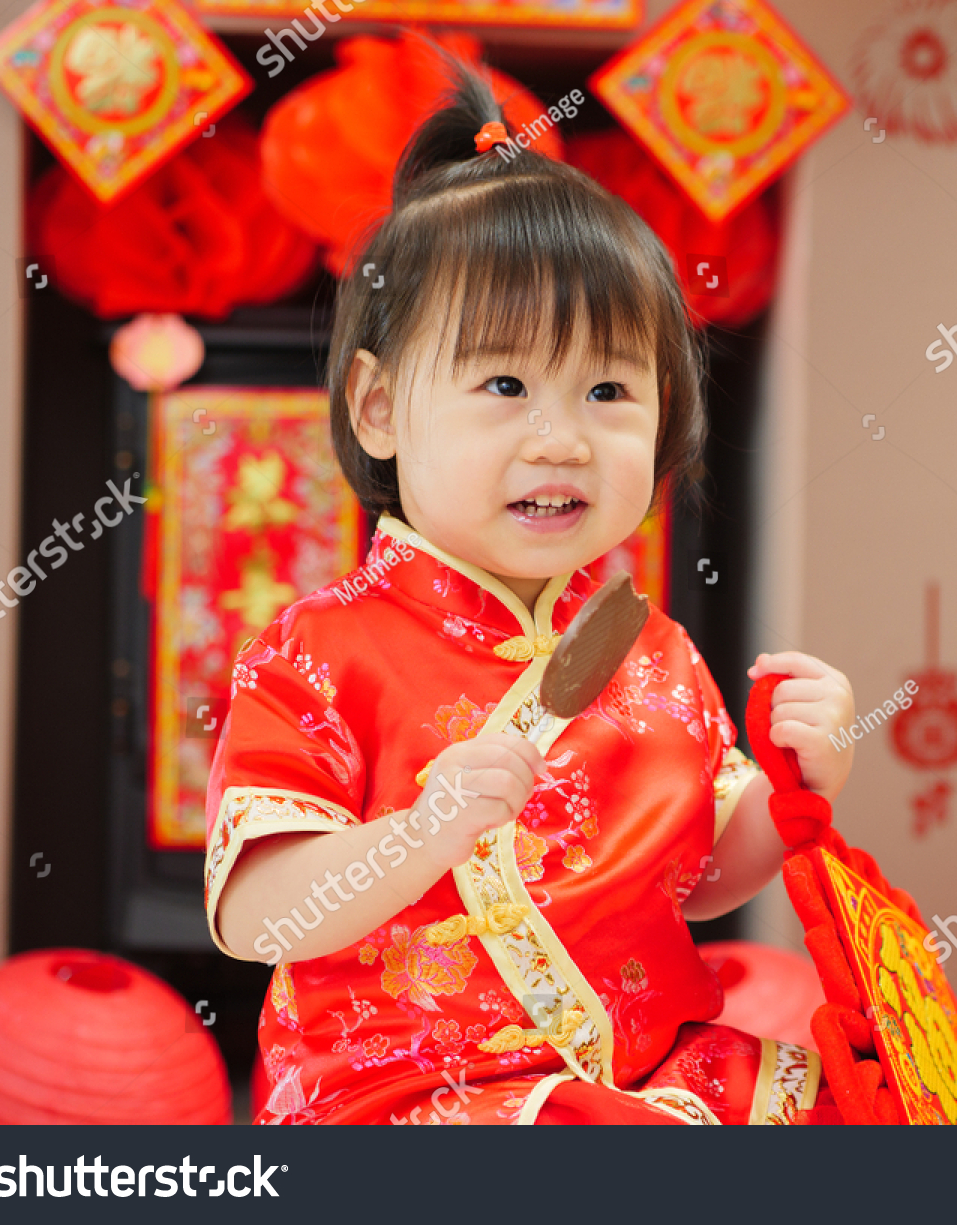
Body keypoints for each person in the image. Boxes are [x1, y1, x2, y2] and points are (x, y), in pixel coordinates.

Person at [207, 69, 856, 1125]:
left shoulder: (658, 653)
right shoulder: (320, 650)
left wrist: (793, 792)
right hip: (411, 1090)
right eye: (505, 386)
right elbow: (257, 914)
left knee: (853, 1111)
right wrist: (421, 832)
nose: (559, 437)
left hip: (643, 1062)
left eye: (607, 391)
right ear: (379, 408)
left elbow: (693, 881)